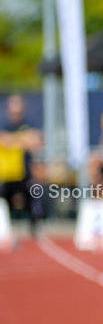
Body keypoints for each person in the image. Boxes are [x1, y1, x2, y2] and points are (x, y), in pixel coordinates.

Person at [0, 95, 44, 236]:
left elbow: (37, 141)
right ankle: (6, 228)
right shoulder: (4, 124)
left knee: (33, 193)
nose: (16, 115)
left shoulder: (29, 123)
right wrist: (22, 139)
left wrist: (12, 141)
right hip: (7, 173)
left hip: (26, 171)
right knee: (4, 198)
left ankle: (34, 227)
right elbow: (3, 140)